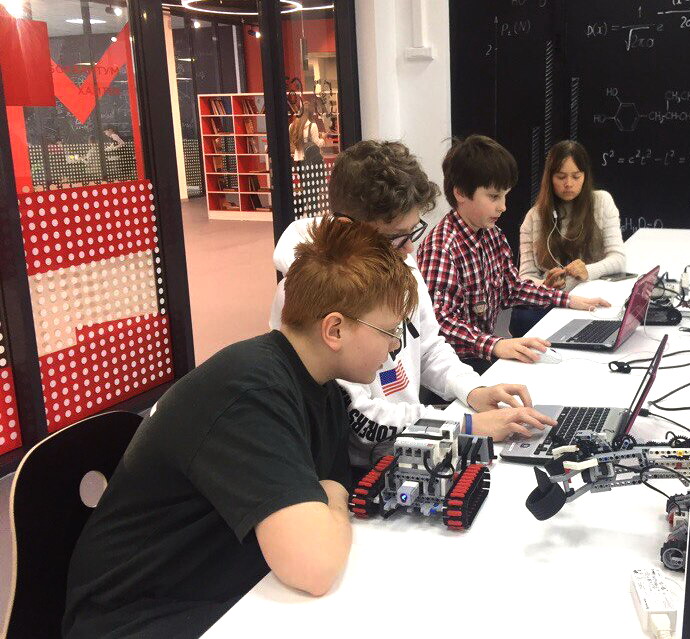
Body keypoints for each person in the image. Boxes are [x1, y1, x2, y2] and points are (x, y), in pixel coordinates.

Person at [63, 220, 417, 638]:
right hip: (139, 617)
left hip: (221, 585)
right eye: (389, 331)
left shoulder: (321, 388)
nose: (394, 345)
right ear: (335, 329)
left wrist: (330, 503)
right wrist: (333, 503)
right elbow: (315, 565)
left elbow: (330, 493)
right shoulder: (249, 392)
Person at [269, 140, 556, 474]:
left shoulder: (399, 262)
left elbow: (429, 346)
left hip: (414, 440)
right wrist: (465, 425)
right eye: (395, 237)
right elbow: (361, 422)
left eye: (411, 233)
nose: (409, 250)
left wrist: (472, 390)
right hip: (357, 469)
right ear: (348, 228)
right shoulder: (312, 296)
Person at [416, 135, 610, 374]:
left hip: (484, 353)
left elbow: (512, 288)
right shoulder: (441, 248)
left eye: (505, 195)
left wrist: (567, 299)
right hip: (453, 368)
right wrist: (496, 345)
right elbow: (441, 324)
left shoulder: (492, 235)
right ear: (461, 193)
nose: (503, 206)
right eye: (493, 197)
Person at [512, 140, 626, 335]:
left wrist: (587, 271)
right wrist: (545, 285)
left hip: (592, 296)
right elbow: (525, 278)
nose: (569, 184)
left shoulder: (601, 202)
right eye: (561, 177)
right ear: (550, 178)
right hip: (553, 302)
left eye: (576, 176)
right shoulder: (534, 217)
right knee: (522, 319)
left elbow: (618, 259)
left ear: (585, 176)